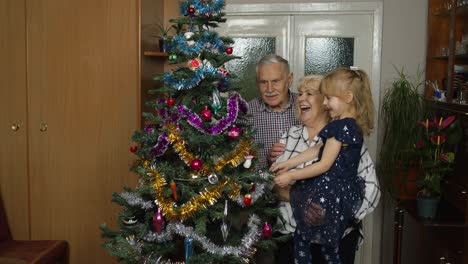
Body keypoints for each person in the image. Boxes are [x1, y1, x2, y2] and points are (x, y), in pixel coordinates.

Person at [247, 54, 379, 264]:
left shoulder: (347, 139)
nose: (300, 98)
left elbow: (372, 190)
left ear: (326, 102)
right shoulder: (289, 136)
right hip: (289, 237)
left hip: (335, 239)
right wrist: (297, 197)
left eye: (309, 93)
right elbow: (273, 183)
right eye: (300, 94)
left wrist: (337, 214)